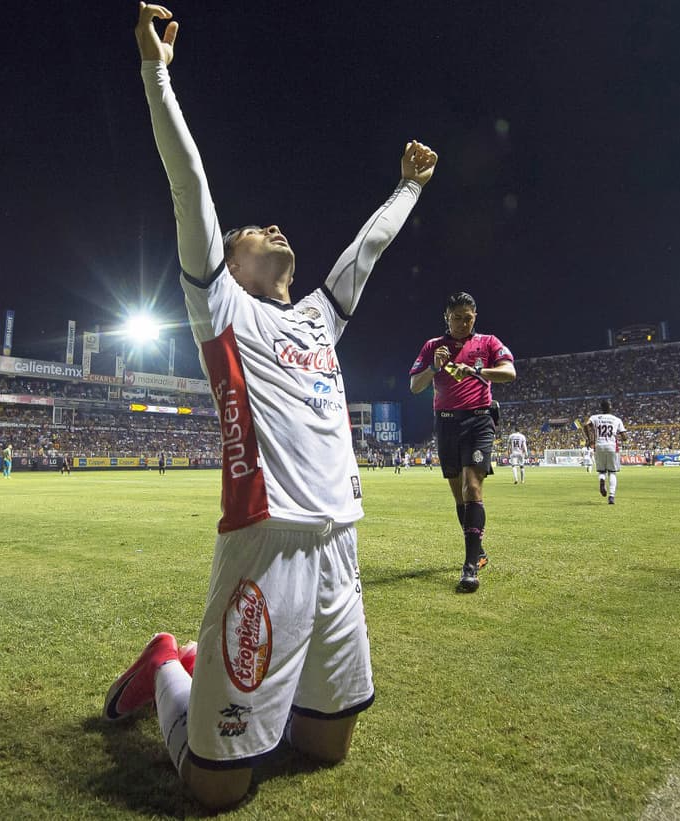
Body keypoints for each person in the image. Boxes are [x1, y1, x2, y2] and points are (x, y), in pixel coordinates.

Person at [103, 5, 438, 810]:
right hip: (264, 541)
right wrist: (158, 74)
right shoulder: (220, 307)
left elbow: (369, 250)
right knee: (217, 788)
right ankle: (168, 671)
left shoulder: (317, 316)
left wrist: (408, 186)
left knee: (327, 746)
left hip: (339, 543)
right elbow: (191, 186)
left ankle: (247, 690)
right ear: (233, 263)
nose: (272, 227)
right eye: (255, 230)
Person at [409, 291, 516, 593]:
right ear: (446, 317)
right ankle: (478, 552)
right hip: (445, 423)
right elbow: (415, 387)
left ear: (475, 318)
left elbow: (510, 372)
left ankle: (469, 568)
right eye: (457, 318)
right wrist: (433, 368)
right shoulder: (433, 347)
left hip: (479, 419)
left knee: (472, 487)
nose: (462, 324)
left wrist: (479, 371)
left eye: (468, 318)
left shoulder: (488, 342)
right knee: (459, 496)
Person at [584, 400, 626, 504]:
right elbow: (624, 437)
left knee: (602, 471)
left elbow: (585, 425)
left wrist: (590, 439)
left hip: (599, 446)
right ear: (610, 408)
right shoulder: (616, 419)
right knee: (612, 472)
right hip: (612, 447)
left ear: (601, 408)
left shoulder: (595, 417)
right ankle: (611, 496)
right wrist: (622, 437)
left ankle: (602, 480)